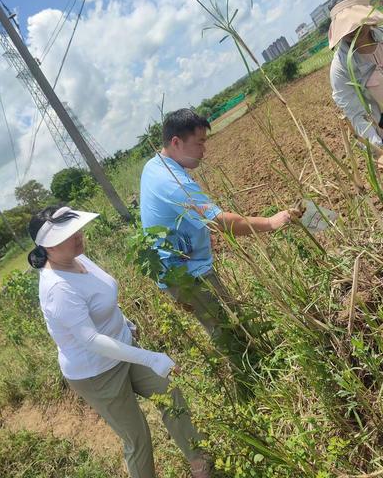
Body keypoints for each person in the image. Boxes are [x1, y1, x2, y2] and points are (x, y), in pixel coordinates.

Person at [27, 205, 211, 478]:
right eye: (67, 235)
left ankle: (200, 464)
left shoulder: (78, 258)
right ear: (48, 247)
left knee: (169, 392)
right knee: (137, 438)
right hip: (97, 374)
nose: (78, 237)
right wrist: (152, 357)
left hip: (124, 349)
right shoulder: (57, 289)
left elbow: (102, 297)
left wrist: (124, 323)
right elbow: (90, 339)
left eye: (77, 230)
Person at [139, 108, 291, 379]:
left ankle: (255, 375)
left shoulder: (155, 165)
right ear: (176, 142)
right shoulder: (171, 182)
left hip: (179, 268)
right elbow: (220, 221)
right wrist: (269, 223)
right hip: (188, 274)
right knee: (229, 332)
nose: (204, 150)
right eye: (199, 143)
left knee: (229, 321)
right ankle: (251, 386)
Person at [329, 0, 383, 164]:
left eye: (354, 22)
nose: (352, 30)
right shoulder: (341, 67)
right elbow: (357, 115)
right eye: (345, 27)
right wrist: (379, 149)